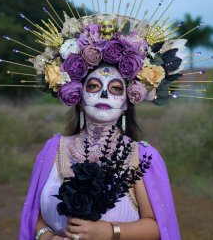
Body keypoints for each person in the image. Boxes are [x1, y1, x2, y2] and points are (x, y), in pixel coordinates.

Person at [19, 65, 180, 240]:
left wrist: (110, 231)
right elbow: (34, 214)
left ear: (126, 102)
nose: (104, 94)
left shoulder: (142, 157)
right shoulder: (53, 148)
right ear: (79, 98)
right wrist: (48, 237)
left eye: (116, 89)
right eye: (94, 86)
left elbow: (160, 227)